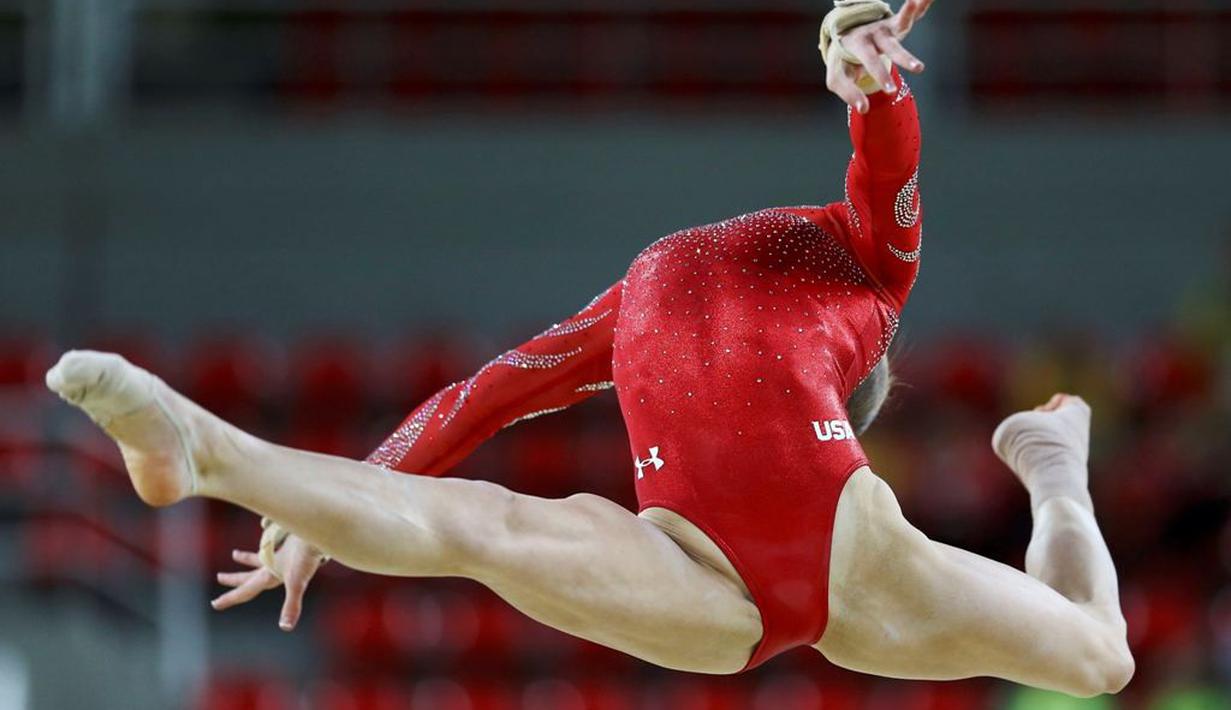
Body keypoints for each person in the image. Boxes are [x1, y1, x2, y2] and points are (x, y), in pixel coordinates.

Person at [43, 0, 1133, 696]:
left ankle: (1053, 470)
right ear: (862, 386)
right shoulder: (869, 273)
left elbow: (480, 395)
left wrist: (876, 93)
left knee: (1102, 656)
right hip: (703, 585)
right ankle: (201, 448)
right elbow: (887, 176)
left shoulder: (712, 291)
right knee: (484, 526)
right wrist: (869, 68)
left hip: (833, 561)